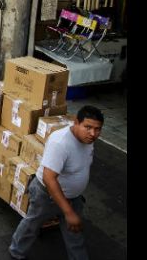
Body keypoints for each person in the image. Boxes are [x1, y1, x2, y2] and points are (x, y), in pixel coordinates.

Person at [9, 106, 105, 260]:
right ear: (76, 123)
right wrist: (68, 212)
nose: (93, 134)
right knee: (32, 225)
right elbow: (49, 178)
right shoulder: (60, 142)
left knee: (74, 234)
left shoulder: (87, 139)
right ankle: (16, 252)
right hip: (46, 195)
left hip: (73, 197)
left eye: (97, 129)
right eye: (88, 127)